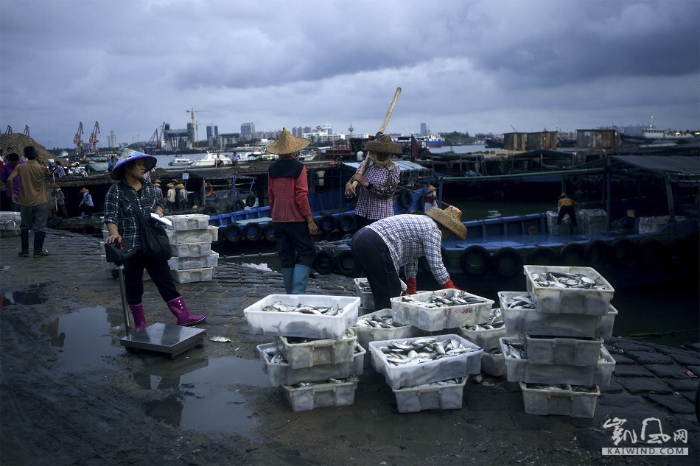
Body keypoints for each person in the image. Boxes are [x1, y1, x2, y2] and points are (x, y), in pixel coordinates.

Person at [103, 149, 205, 331]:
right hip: (131, 245)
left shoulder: (150, 187)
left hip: (153, 243)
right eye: (139, 165)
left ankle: (183, 316)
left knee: (165, 279)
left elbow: (161, 204)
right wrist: (114, 233)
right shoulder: (115, 192)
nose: (143, 168)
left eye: (144, 165)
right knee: (133, 285)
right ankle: (140, 324)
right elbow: (111, 217)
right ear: (128, 167)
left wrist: (159, 212)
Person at [351, 206, 467, 311]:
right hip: (374, 242)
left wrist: (411, 287)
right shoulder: (434, 230)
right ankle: (386, 324)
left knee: (381, 287)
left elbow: (411, 258)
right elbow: (436, 264)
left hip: (360, 238)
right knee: (392, 290)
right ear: (445, 227)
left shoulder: (423, 223)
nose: (448, 237)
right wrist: (451, 289)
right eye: (450, 234)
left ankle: (377, 314)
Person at [266, 128, 319, 294]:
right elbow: (301, 197)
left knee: (286, 256)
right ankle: (298, 293)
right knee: (307, 251)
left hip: (278, 219)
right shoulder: (299, 167)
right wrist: (310, 220)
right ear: (295, 150)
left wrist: (274, 215)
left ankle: (290, 294)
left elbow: (271, 196)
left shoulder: (272, 168)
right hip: (296, 219)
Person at [344, 132, 402, 229]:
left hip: (381, 217)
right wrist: (349, 185)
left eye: (385, 153)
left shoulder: (393, 169)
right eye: (380, 152)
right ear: (374, 152)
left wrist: (366, 184)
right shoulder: (365, 165)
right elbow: (354, 179)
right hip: (362, 213)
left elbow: (388, 192)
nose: (382, 155)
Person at [7, 146, 51, 257]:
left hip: (25, 201)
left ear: (25, 155)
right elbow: (49, 174)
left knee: (25, 226)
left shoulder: (20, 167)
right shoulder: (41, 168)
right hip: (41, 200)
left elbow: (9, 179)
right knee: (40, 227)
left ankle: (25, 251)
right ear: (36, 154)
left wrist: (12, 193)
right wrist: (39, 160)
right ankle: (37, 251)